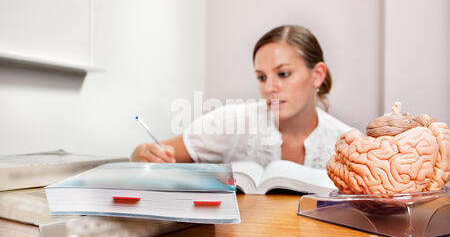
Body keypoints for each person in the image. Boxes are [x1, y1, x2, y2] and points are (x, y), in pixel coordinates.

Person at [131, 25, 353, 169]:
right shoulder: (231, 122)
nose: (269, 87)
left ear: (317, 75)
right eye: (262, 77)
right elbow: (143, 152)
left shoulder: (348, 142)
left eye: (283, 74)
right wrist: (145, 153)